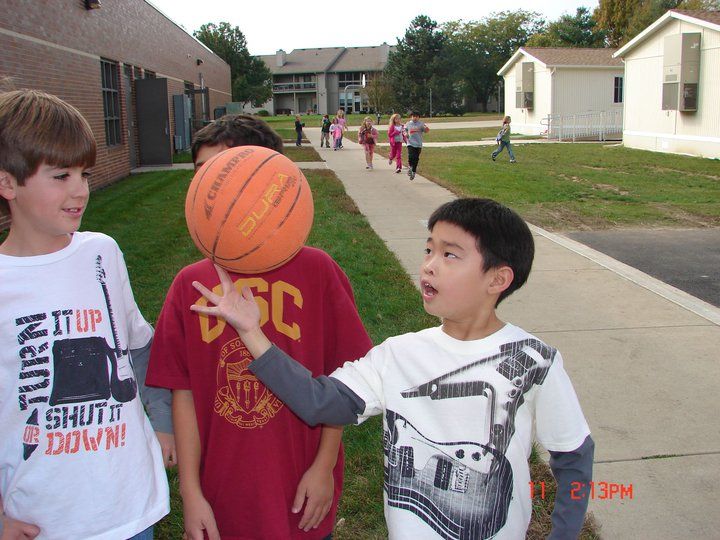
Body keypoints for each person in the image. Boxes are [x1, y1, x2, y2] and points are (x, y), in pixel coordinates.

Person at [190, 198, 595, 540]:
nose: (429, 266)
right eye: (428, 250)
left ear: (498, 279)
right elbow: (318, 403)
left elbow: (574, 455)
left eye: (450, 255)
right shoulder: (397, 356)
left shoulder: (535, 359)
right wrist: (252, 333)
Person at [146, 114, 373, 540]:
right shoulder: (188, 285)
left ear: (269, 182)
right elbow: (184, 392)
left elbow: (343, 383)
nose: (211, 196)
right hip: (224, 490)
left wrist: (324, 467)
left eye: (226, 178)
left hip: (301, 485)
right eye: (201, 179)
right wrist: (191, 492)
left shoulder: (317, 271)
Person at [0, 89, 172, 539]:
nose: (80, 190)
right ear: (7, 183)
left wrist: (165, 423)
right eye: (61, 176)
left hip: (129, 505)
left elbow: (136, 345)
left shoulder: (102, 254)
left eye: (85, 174)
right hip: (44, 518)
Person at [404, 111, 430, 180]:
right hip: (410, 143)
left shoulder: (421, 124)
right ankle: (410, 166)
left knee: (416, 158)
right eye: (413, 116)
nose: (415, 118)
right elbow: (404, 130)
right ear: (411, 117)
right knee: (411, 156)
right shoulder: (408, 124)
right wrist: (405, 134)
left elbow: (426, 130)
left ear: (419, 117)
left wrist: (427, 129)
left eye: (416, 116)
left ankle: (413, 171)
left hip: (418, 144)